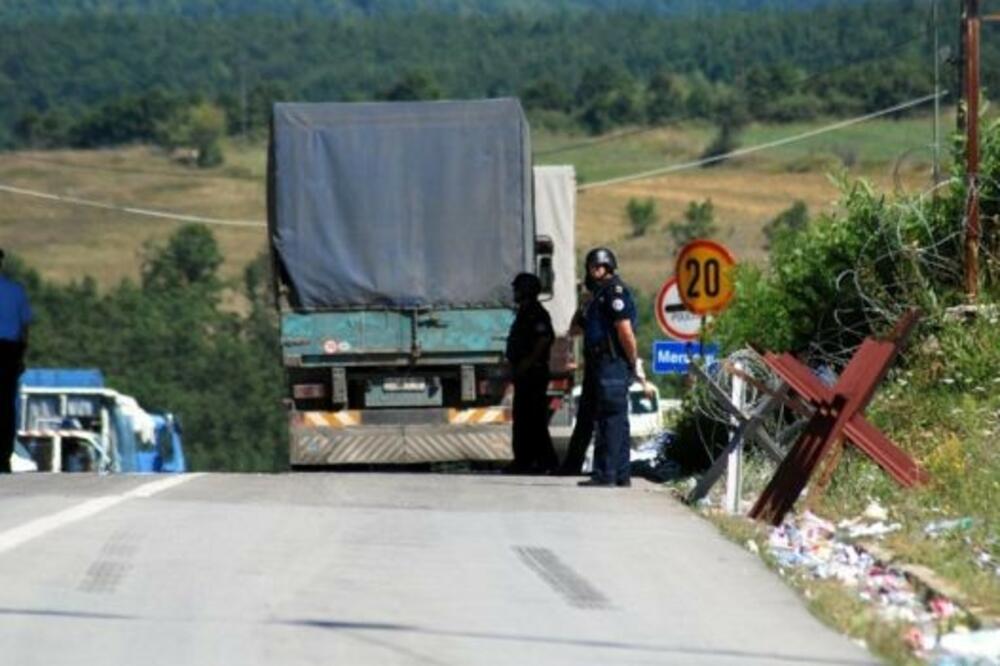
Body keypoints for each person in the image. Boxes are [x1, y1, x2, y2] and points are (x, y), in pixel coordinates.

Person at [576, 247, 643, 488]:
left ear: (607, 267)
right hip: (605, 362)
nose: (592, 271)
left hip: (612, 362)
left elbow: (624, 330)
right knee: (615, 418)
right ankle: (621, 474)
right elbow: (578, 327)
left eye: (596, 267)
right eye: (591, 267)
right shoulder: (599, 294)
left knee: (610, 418)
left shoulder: (614, 292)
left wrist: (633, 360)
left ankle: (607, 473)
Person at [505, 272, 559, 474]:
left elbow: (544, 338)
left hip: (533, 374)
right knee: (524, 418)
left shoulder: (535, 312)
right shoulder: (524, 311)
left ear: (525, 290)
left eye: (517, 288)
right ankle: (525, 460)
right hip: (525, 373)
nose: (515, 292)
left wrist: (526, 363)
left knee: (533, 419)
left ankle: (543, 461)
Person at [0, 249, 33, 474]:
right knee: (6, 405)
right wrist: (21, 355)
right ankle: (3, 453)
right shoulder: (15, 291)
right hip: (8, 353)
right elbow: (25, 328)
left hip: (9, 351)